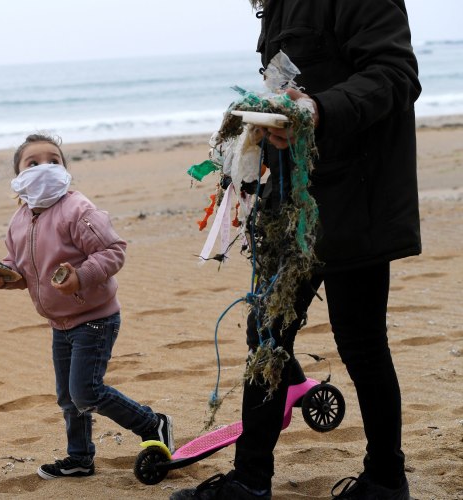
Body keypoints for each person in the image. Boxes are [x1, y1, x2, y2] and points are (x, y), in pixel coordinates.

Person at [171, 0, 421, 499]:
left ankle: (386, 478)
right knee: (265, 334)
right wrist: (266, 128)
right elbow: (288, 90)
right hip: (291, 201)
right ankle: (250, 481)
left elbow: (395, 75)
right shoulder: (277, 6)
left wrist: (314, 109)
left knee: (362, 342)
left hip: (357, 198)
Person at [0, 133, 174, 480]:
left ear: (66, 170)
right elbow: (24, 271)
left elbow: (113, 251)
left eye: (54, 161)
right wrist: (3, 277)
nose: (45, 168)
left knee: (86, 391)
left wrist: (81, 277)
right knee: (68, 397)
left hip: (95, 317)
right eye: (33, 163)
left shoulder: (77, 209)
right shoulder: (19, 220)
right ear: (18, 177)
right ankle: (80, 457)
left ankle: (152, 423)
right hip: (60, 323)